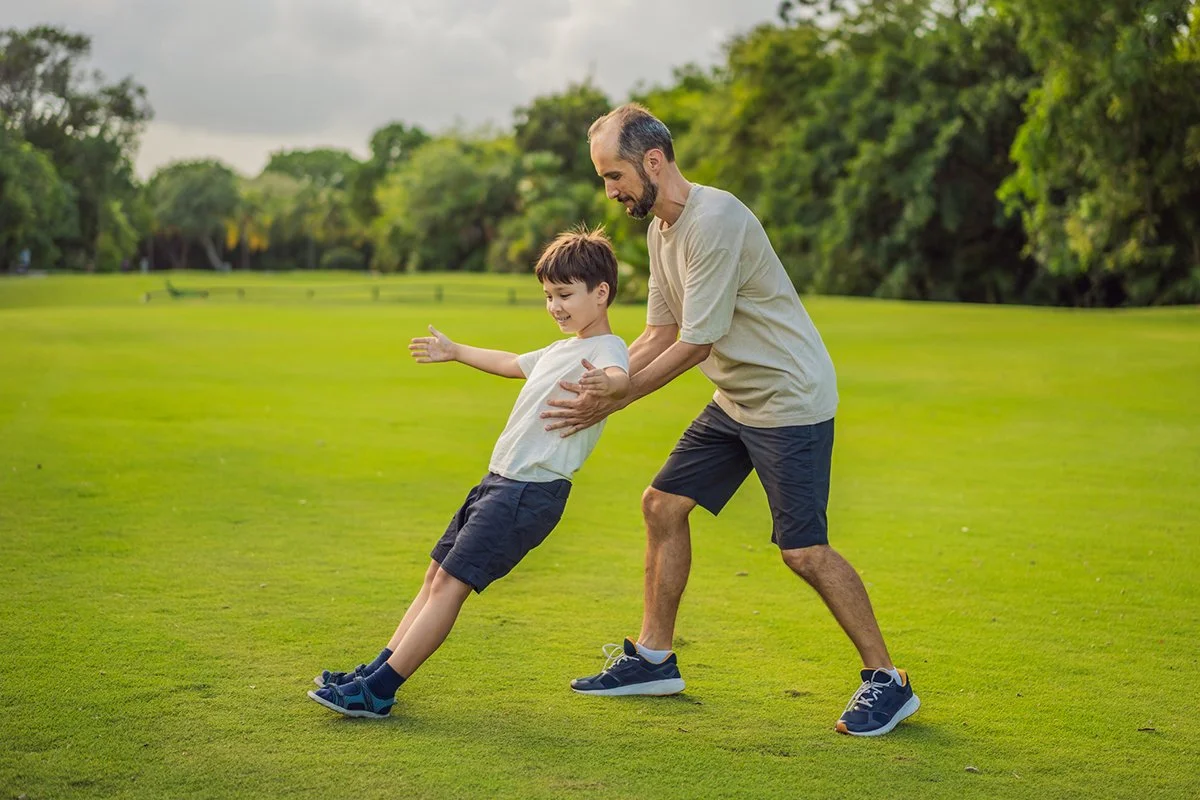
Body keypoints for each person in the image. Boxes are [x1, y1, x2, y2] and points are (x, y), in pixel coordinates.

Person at [544, 104, 920, 737]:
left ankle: (889, 681)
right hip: (737, 398)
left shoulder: (714, 219)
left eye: (615, 176)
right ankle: (654, 660)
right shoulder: (661, 231)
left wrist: (618, 396)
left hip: (787, 400)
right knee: (661, 505)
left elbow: (695, 341)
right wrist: (600, 376)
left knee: (803, 551)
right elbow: (658, 332)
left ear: (653, 162)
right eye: (605, 178)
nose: (609, 191)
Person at [308, 227, 630, 719]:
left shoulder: (605, 350)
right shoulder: (559, 349)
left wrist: (603, 384)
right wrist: (457, 352)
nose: (555, 306)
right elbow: (508, 363)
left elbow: (618, 376)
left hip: (530, 491)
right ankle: (373, 672)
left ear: (600, 292)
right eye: (548, 296)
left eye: (565, 295)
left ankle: (381, 691)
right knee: (435, 575)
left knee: (451, 585)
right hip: (498, 482)